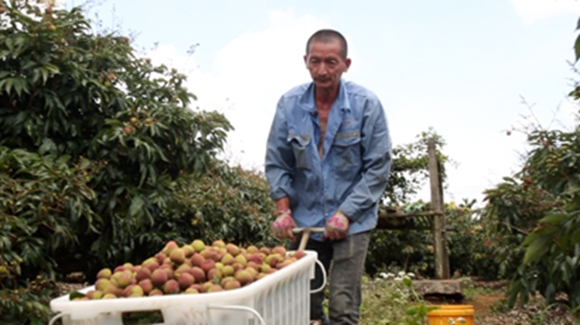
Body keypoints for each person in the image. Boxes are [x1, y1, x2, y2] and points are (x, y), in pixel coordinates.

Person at [264, 29, 393, 325]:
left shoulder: (366, 105)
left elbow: (377, 167)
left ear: (346, 64)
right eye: (316, 61)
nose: (322, 70)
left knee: (342, 306)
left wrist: (345, 213)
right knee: (301, 303)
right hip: (304, 217)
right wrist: (283, 211)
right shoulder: (289, 104)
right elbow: (276, 162)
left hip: (353, 220)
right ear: (306, 61)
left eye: (331, 62)